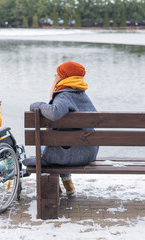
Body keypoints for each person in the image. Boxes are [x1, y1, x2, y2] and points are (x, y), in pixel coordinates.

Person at [24, 61, 99, 195]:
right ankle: (67, 182)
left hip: (71, 155)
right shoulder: (82, 95)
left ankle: (53, 186)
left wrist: (39, 105)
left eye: (56, 75)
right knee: (63, 141)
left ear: (62, 78)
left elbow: (54, 113)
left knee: (46, 145)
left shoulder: (64, 96)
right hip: (88, 153)